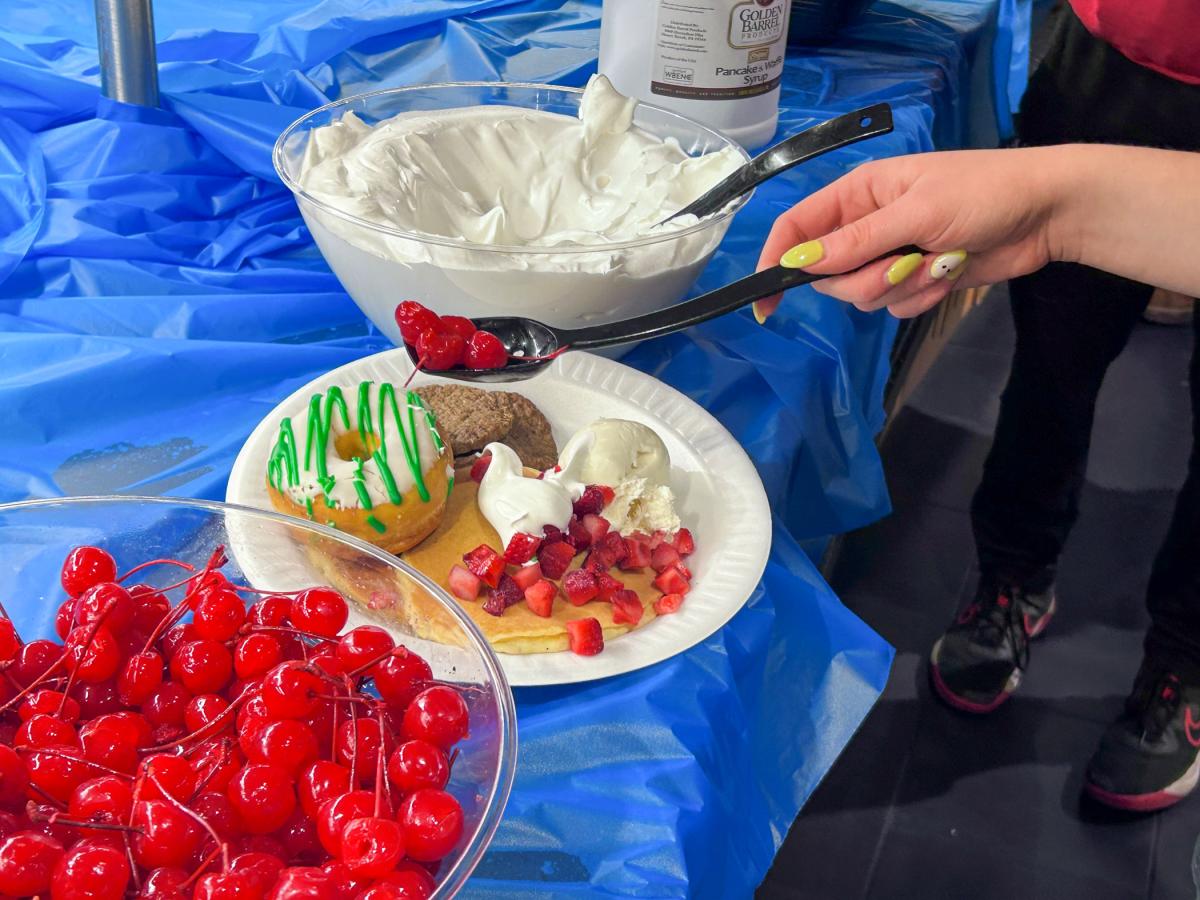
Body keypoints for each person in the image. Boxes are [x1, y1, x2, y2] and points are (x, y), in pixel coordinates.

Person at [758, 1, 1200, 813]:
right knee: (1049, 365)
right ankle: (1013, 577)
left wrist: (1050, 203)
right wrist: (1050, 205)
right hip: (1112, 58)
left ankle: (1186, 660)